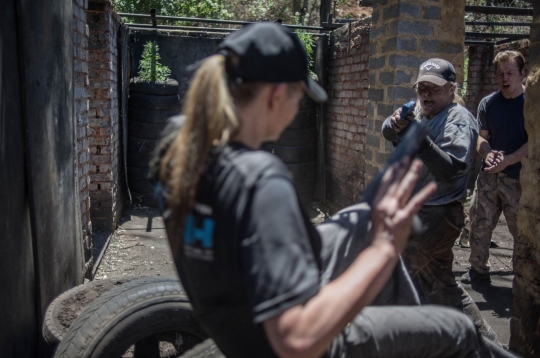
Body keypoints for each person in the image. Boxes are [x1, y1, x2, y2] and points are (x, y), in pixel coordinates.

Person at [154, 23, 514, 358]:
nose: (299, 107)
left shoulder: (178, 150)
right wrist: (382, 250)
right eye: (298, 95)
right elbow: (296, 339)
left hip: (236, 313)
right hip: (299, 342)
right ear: (277, 94)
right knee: (454, 329)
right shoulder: (262, 181)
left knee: (358, 220)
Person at [381, 58, 497, 341]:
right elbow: (387, 130)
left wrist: (419, 140)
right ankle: (486, 344)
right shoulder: (421, 112)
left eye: (434, 88)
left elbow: (452, 168)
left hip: (437, 215)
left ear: (451, 89)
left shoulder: (457, 118)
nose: (426, 93)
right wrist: (395, 124)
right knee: (443, 288)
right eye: (422, 87)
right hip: (424, 214)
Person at [461, 50, 528, 284]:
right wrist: (488, 154)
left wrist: (509, 159)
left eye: (510, 73)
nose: (504, 79)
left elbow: (534, 143)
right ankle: (478, 269)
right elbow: (481, 138)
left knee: (521, 231)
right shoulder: (488, 103)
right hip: (489, 176)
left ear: (522, 74)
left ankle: (522, 277)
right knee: (480, 223)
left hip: (517, 178)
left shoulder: (530, 105)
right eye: (500, 74)